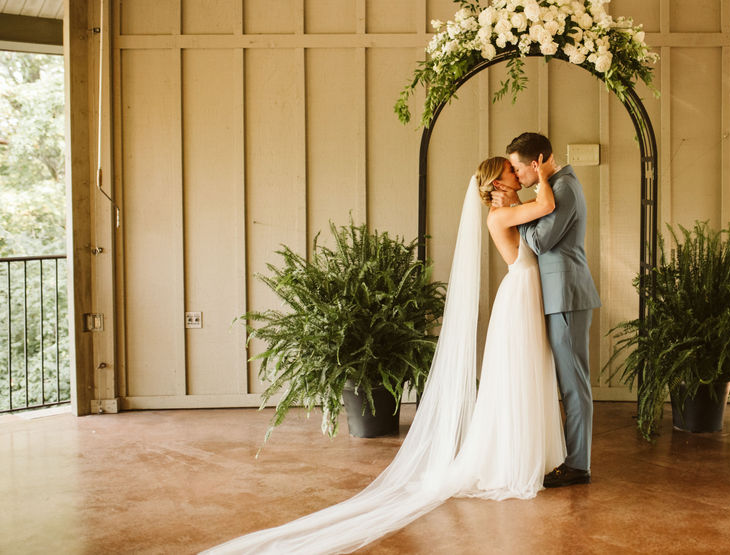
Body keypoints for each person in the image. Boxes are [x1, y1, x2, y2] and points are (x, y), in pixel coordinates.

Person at [204, 156, 565, 553]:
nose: (519, 174)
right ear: (497, 183)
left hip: (526, 291)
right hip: (519, 294)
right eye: (512, 171)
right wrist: (545, 176)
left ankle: (526, 452)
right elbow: (546, 206)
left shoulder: (509, 209)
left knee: (524, 374)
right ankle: (511, 459)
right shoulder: (500, 215)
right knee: (516, 376)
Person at [493, 132, 601, 488]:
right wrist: (524, 204)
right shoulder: (552, 188)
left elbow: (538, 241)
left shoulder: (564, 188)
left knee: (574, 385)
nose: (516, 176)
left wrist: (516, 209)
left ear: (536, 164)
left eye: (518, 169)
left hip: (566, 295)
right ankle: (574, 460)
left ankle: (578, 466)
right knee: (568, 383)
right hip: (557, 295)